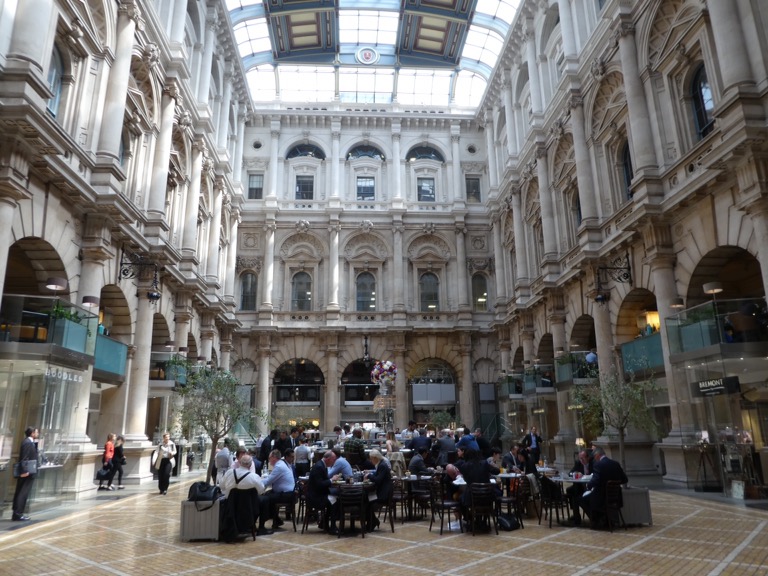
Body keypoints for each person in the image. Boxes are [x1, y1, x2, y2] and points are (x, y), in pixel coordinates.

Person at [219, 454, 274, 535]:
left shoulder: (229, 472)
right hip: (248, 506)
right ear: (251, 464)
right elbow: (261, 491)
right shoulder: (254, 477)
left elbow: (221, 486)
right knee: (265, 499)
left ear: (240, 463)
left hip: (230, 505)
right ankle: (261, 527)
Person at [579, 446, 628, 529]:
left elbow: (595, 481)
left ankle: (597, 521)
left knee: (581, 500)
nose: (594, 459)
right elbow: (624, 479)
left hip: (601, 497)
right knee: (590, 497)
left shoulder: (598, 465)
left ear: (597, 455)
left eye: (595, 457)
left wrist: (588, 485)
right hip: (615, 497)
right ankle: (602, 519)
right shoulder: (615, 464)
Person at [262, 449, 295, 529]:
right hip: (288, 492)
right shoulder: (281, 464)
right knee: (267, 495)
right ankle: (276, 520)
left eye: (269, 458)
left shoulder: (279, 466)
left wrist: (257, 482)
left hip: (287, 494)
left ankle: (263, 524)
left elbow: (268, 481)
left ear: (274, 457)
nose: (269, 460)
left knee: (264, 499)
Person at [308, 450, 340, 534]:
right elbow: (319, 484)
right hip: (315, 497)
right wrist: (331, 480)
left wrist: (330, 480)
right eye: (333, 460)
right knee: (334, 502)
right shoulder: (319, 467)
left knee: (334, 499)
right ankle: (332, 527)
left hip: (319, 494)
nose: (334, 462)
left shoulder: (322, 465)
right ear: (328, 459)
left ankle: (324, 523)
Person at [12, 426, 39, 521]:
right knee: (22, 493)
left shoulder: (30, 442)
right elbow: (25, 458)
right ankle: (18, 514)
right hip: (27, 473)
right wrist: (25, 471)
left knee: (22, 492)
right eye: (36, 432)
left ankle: (17, 513)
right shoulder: (27, 443)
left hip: (28, 472)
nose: (37, 434)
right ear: (32, 433)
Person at [364, 450, 393, 532]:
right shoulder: (381, 464)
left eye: (371, 459)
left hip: (383, 495)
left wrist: (369, 475)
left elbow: (378, 480)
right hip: (382, 492)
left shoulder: (382, 465)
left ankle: (372, 522)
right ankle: (373, 521)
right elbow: (377, 476)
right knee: (366, 500)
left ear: (375, 458)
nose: (370, 461)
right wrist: (370, 475)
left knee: (366, 502)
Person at [563, 450, 592, 526]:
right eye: (580, 458)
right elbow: (570, 473)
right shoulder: (578, 463)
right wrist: (575, 473)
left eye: (583, 458)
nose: (581, 460)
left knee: (575, 495)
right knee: (571, 491)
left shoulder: (593, 463)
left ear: (588, 458)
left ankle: (578, 516)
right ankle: (576, 515)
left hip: (591, 486)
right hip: (581, 486)